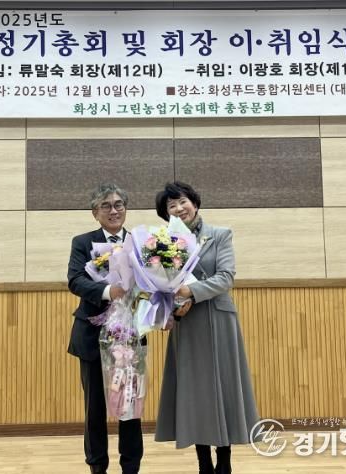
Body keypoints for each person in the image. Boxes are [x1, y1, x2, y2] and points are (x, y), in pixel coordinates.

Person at [154, 181, 259, 474]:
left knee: (222, 387)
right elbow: (160, 285)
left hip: (218, 319)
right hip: (187, 322)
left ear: (195, 203)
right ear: (166, 214)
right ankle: (203, 462)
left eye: (182, 201)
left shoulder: (220, 234)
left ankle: (224, 459)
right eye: (171, 206)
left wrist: (190, 291)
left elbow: (226, 277)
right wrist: (170, 306)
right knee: (194, 390)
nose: (179, 208)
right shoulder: (162, 244)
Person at [67, 183, 143, 474]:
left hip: (129, 336)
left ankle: (131, 468)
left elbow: (155, 283)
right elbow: (75, 280)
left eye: (119, 204)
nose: (114, 210)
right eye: (106, 206)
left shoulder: (141, 242)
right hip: (92, 335)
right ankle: (97, 468)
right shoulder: (82, 242)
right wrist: (108, 291)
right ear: (95, 213)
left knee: (130, 407)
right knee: (95, 408)